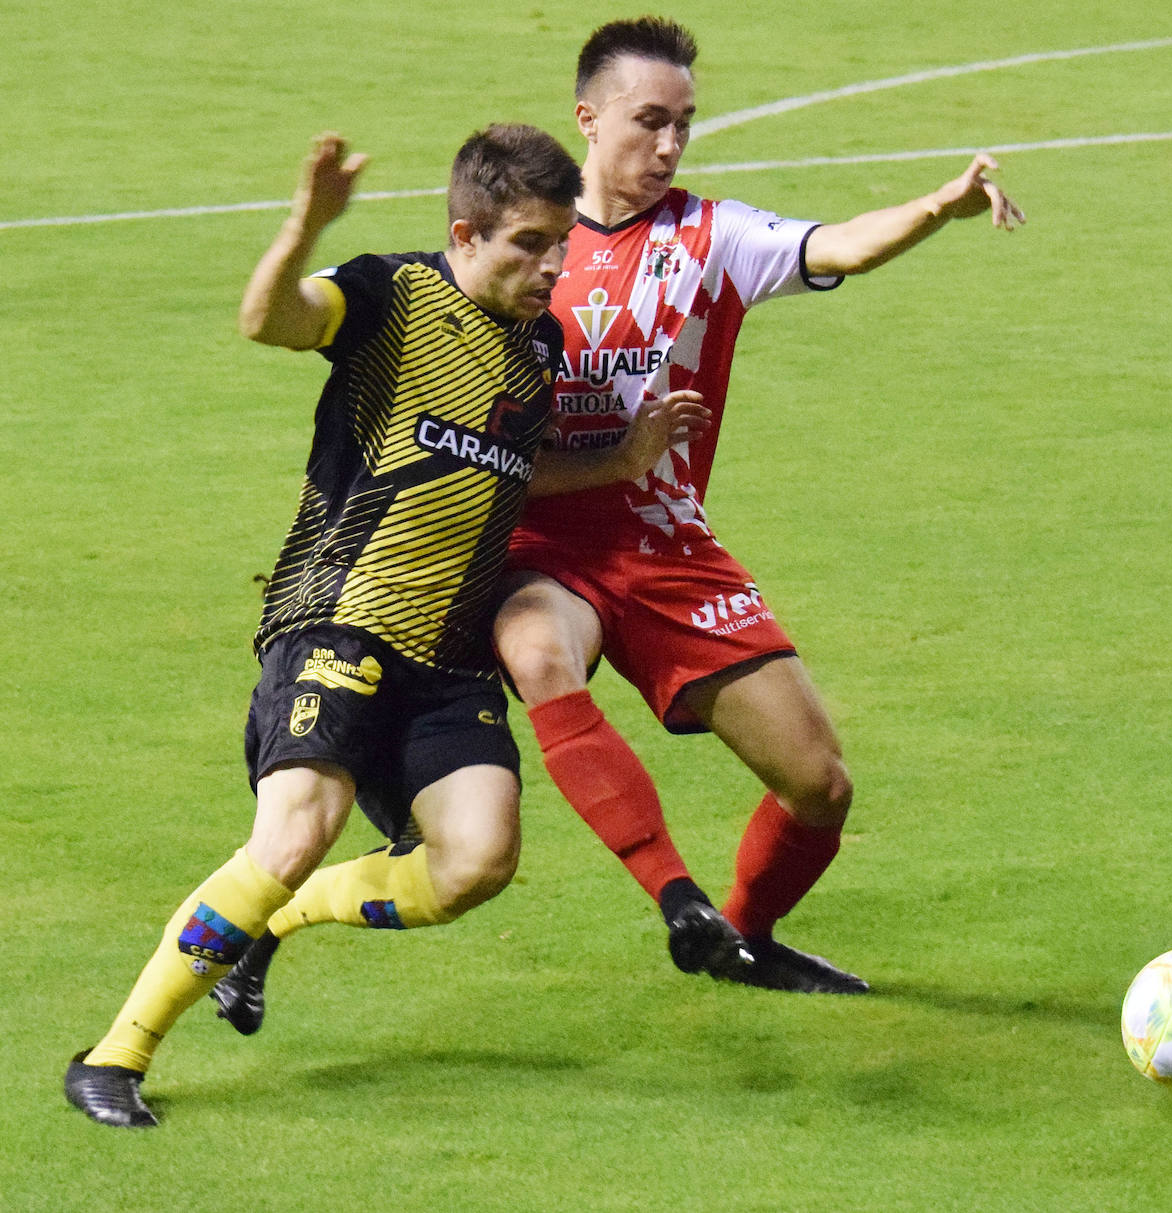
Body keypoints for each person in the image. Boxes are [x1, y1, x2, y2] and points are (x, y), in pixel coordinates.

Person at [211, 15, 1025, 1021]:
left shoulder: (710, 236)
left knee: (820, 784)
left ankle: (741, 937)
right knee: (542, 654)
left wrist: (941, 205)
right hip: (538, 539)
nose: (671, 146)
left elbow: (839, 244)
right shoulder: (518, 249)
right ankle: (676, 901)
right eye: (650, 122)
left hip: (667, 542)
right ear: (588, 118)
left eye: (685, 123)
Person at [64, 124, 707, 1129]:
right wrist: (302, 226)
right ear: (466, 231)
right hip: (340, 617)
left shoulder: (538, 349)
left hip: (449, 658)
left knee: (475, 862)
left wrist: (621, 462)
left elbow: (508, 471)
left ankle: (272, 923)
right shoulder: (390, 298)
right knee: (294, 831)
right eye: (529, 245)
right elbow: (267, 319)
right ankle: (116, 1053)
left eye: (561, 246)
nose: (554, 267)